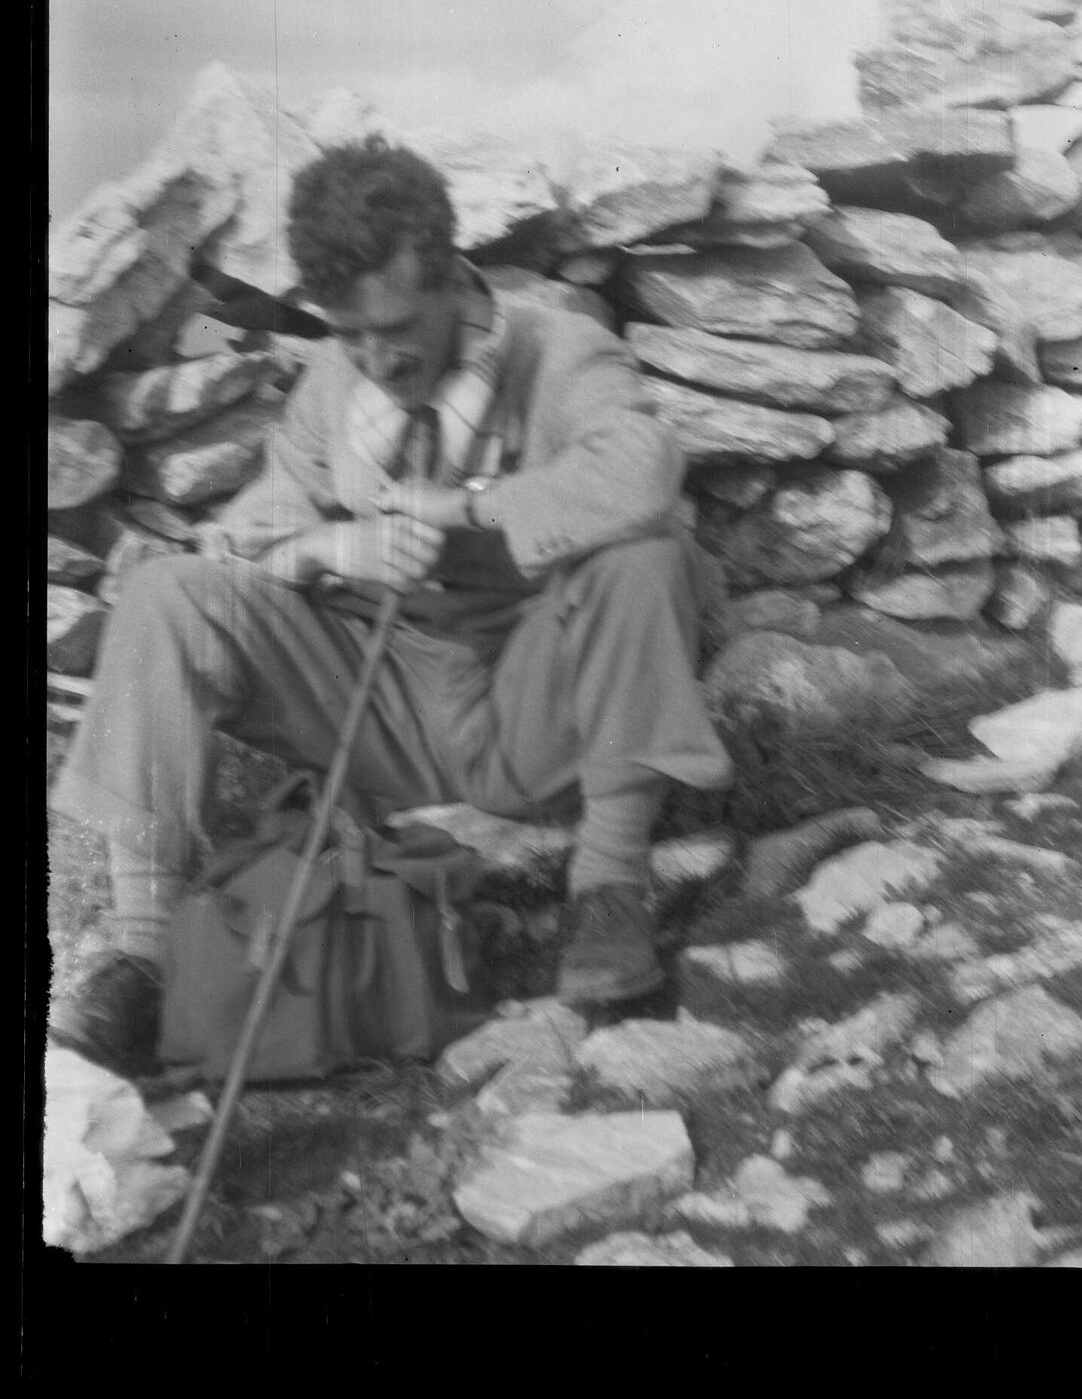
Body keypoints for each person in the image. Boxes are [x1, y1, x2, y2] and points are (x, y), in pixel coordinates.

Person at [50, 138, 733, 1078]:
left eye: (395, 327)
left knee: (646, 556)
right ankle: (146, 951)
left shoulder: (560, 350)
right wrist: (326, 546)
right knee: (170, 595)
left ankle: (608, 891)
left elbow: (644, 470)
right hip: (392, 709)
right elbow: (245, 537)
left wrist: (474, 510)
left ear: (452, 276)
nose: (376, 359)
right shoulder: (338, 382)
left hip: (543, 704)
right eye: (349, 332)